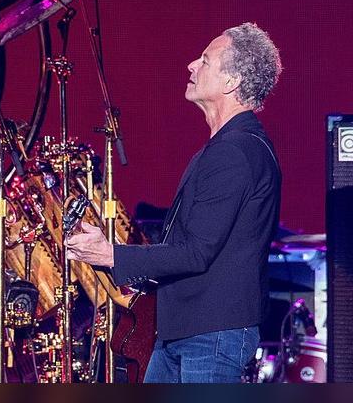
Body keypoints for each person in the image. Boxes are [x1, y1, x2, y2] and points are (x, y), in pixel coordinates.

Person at [65, 22, 283, 383]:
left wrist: (110, 254)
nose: (191, 65)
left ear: (231, 81)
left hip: (210, 334)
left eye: (205, 60)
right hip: (186, 330)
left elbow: (196, 252)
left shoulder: (235, 152)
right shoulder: (229, 146)